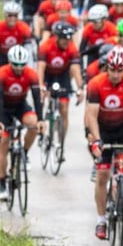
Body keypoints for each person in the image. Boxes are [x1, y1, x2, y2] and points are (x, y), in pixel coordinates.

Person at [85, 45, 123, 240]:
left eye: (121, 70)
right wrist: (96, 140)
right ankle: (101, 220)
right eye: (113, 70)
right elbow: (91, 116)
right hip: (103, 128)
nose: (117, 74)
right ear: (106, 68)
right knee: (102, 175)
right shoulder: (95, 84)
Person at [0, 45, 44, 201]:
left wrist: (40, 119)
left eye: (23, 65)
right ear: (10, 62)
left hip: (20, 105)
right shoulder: (2, 73)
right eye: (16, 65)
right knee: (3, 143)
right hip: (4, 109)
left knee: (33, 125)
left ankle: (24, 153)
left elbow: (36, 98)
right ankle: (2, 184)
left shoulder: (31, 74)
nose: (20, 68)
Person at [36, 20, 84, 151]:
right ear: (56, 37)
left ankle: (61, 142)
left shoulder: (72, 48)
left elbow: (75, 69)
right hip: (48, 75)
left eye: (68, 38)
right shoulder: (46, 46)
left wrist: (80, 88)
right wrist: (40, 86)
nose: (66, 41)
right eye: (63, 38)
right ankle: (42, 127)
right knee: (42, 98)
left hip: (62, 76)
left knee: (64, 108)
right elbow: (40, 68)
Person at [0, 1, 34, 69]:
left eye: (15, 15)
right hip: (1, 55)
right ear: (5, 15)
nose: (12, 18)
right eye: (9, 15)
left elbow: (28, 50)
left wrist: (31, 68)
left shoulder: (24, 28)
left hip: (18, 56)